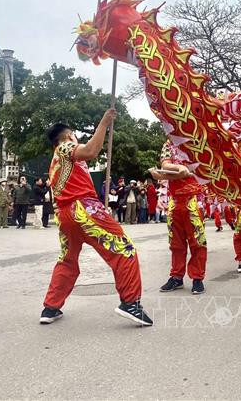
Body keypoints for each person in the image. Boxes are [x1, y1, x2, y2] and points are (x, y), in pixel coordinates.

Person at [41, 110, 151, 326]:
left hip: (66, 215)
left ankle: (50, 307)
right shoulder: (64, 147)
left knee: (68, 259)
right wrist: (104, 122)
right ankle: (130, 303)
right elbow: (91, 150)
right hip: (83, 209)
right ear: (69, 135)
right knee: (124, 249)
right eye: (74, 135)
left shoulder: (61, 160)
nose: (76, 138)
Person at [151, 140, 207, 294]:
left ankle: (197, 278)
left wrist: (166, 174)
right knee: (176, 243)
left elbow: (205, 168)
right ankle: (176, 277)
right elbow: (166, 165)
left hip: (194, 199)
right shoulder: (169, 143)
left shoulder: (197, 140)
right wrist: (175, 170)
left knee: (197, 241)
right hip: (175, 200)